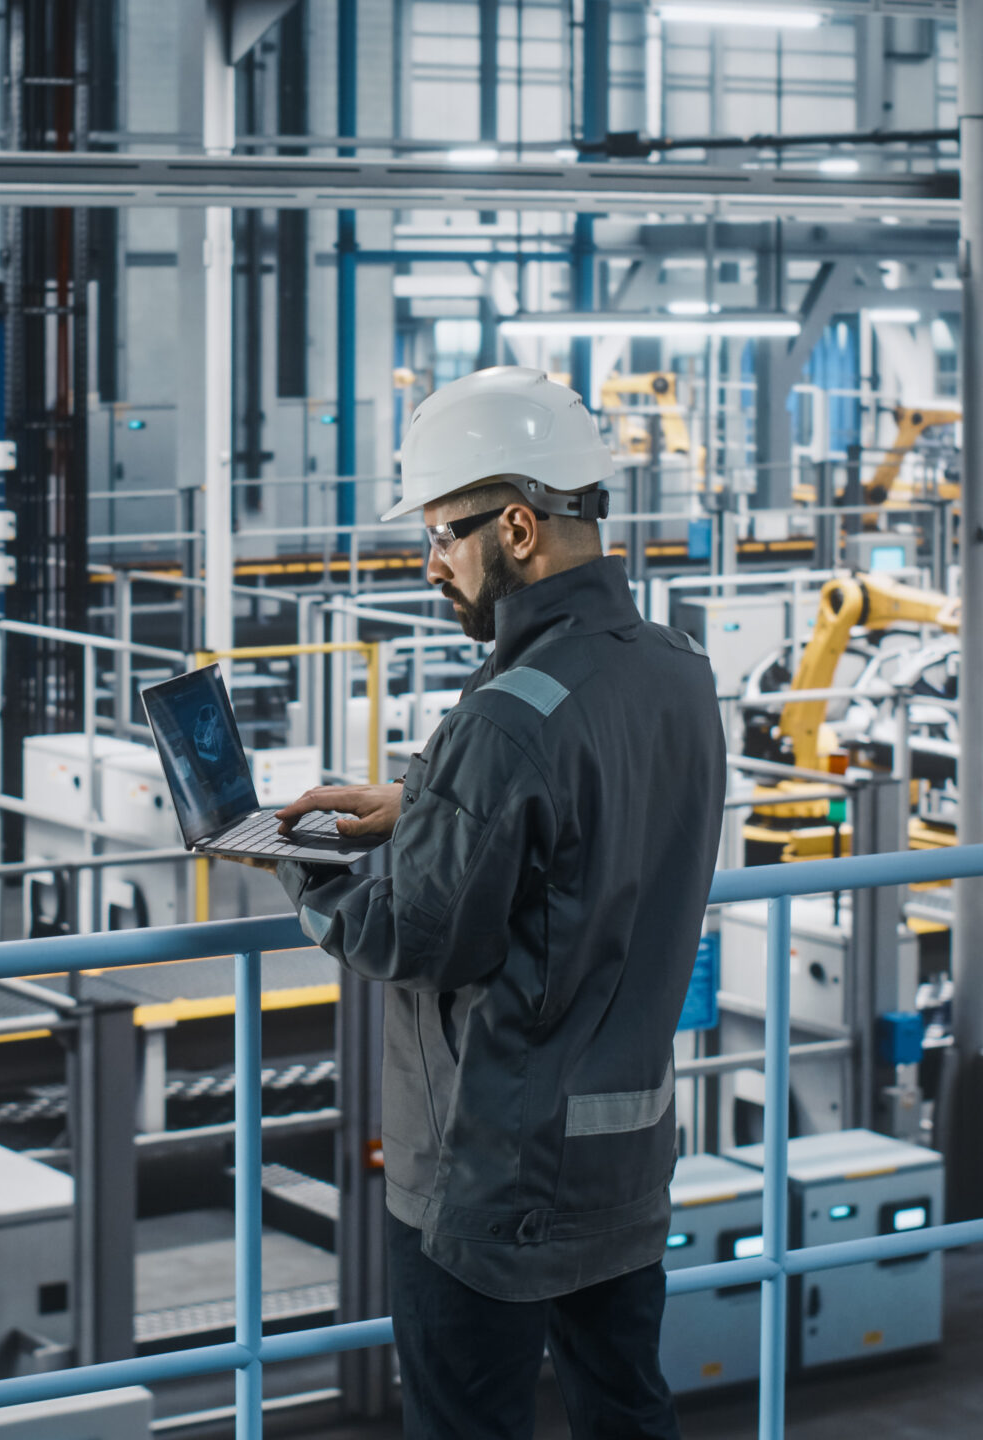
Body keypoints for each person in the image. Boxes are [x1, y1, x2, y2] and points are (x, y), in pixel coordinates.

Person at [269, 367, 727, 1439]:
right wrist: (427, 802)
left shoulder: (501, 722)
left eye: (442, 535)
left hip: (491, 1175)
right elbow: (582, 826)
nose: (432, 565)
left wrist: (296, 859)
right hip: (623, 1152)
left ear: (517, 528)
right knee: (626, 1412)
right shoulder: (677, 670)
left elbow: (414, 935)